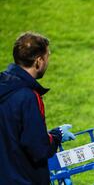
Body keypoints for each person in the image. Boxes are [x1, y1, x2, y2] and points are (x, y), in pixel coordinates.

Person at [0, 32, 76, 185]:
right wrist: (57, 135)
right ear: (38, 61)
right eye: (47, 56)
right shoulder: (28, 97)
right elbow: (38, 149)